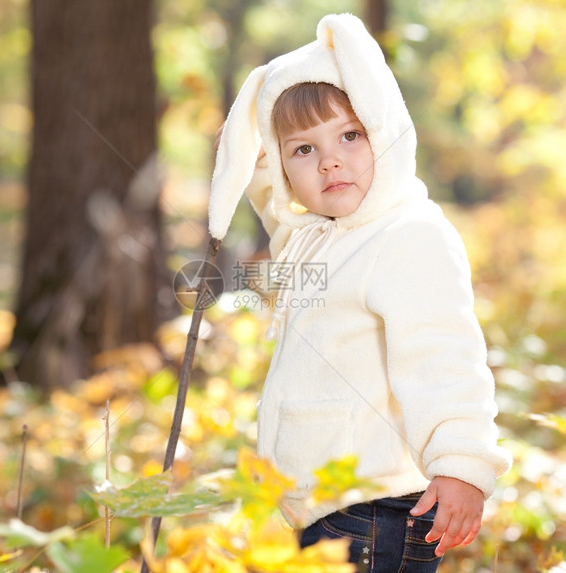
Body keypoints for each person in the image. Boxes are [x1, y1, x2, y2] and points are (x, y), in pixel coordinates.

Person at [207, 13, 512, 572]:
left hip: (377, 509)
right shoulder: (323, 239)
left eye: (350, 135)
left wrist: (461, 464)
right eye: (302, 150)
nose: (329, 160)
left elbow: (445, 356)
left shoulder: (409, 234)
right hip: (319, 507)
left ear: (385, 129)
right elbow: (284, 222)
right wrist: (249, 166)